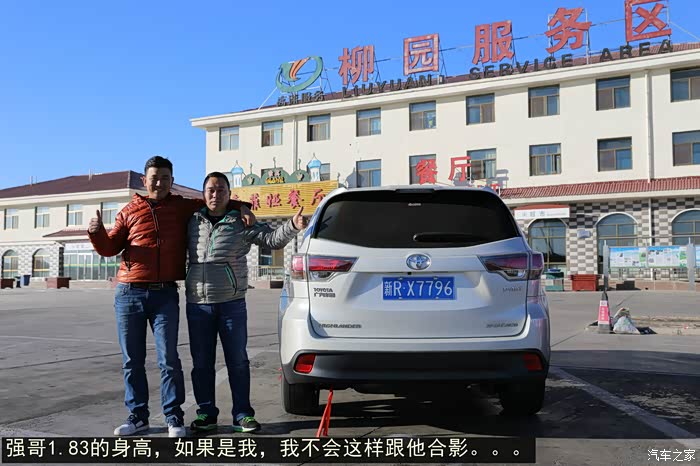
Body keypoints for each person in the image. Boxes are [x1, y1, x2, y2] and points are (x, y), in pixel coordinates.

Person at [88, 157, 255, 437]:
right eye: (154, 178)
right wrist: (96, 234)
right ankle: (137, 416)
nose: (160, 183)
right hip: (129, 292)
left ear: (172, 181)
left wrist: (243, 207)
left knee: (168, 359)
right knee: (132, 360)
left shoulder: (182, 207)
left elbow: (215, 201)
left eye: (165, 178)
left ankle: (173, 417)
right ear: (145, 180)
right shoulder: (128, 211)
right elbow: (110, 248)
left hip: (164, 294)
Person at [185, 171, 307, 433]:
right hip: (198, 304)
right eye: (210, 190)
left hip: (232, 304)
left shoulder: (240, 221)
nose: (215, 194)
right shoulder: (192, 220)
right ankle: (206, 414)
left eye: (221, 190)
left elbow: (271, 239)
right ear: (203, 193)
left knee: (238, 361)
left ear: (229, 194)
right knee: (202, 363)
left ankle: (242, 414)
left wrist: (292, 226)